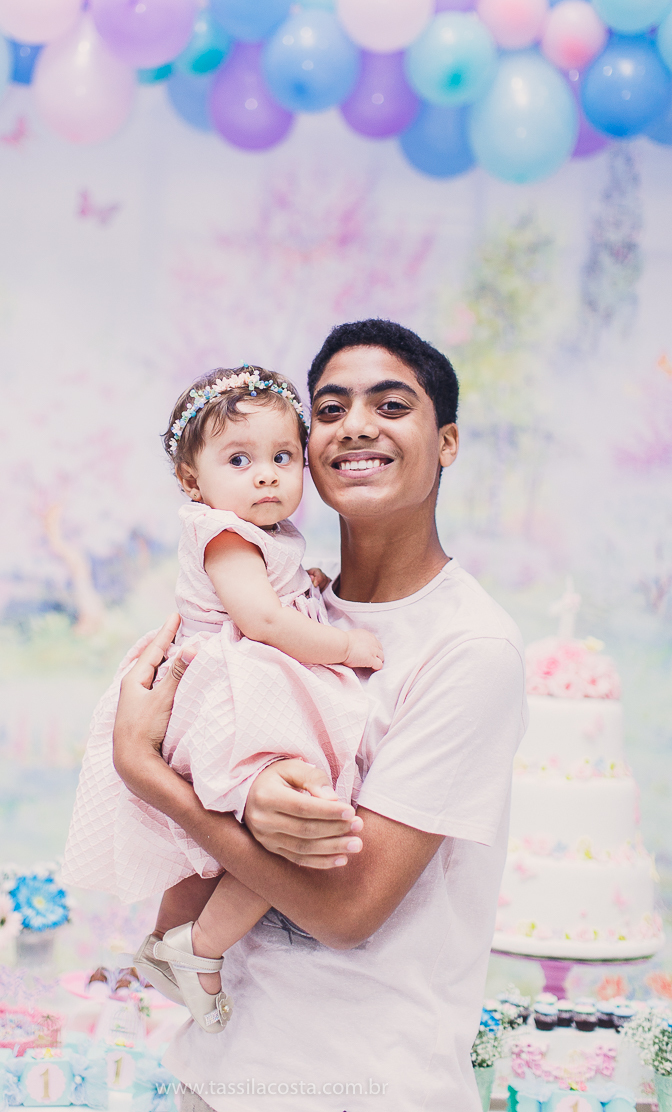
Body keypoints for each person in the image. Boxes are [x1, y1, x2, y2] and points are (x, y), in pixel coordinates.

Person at [111, 319, 528, 1112]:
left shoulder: (470, 646)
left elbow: (346, 909)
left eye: (392, 405)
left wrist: (150, 775)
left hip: (358, 1085)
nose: (356, 425)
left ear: (446, 444)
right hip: (218, 1070)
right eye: (330, 409)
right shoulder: (290, 607)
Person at [63, 363, 384, 1033]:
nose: (266, 474)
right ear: (193, 481)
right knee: (291, 818)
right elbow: (264, 622)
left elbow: (278, 598)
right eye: (239, 459)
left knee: (239, 834)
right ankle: (195, 950)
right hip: (224, 697)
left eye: (282, 457)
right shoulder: (225, 535)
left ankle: (172, 944)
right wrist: (349, 648)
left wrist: (306, 584)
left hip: (246, 688)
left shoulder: (266, 534)